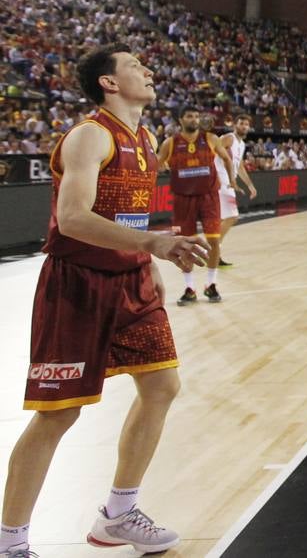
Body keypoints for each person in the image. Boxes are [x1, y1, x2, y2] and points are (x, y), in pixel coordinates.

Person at [0, 45, 207, 558]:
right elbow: (72, 219)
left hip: (131, 280)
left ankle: (117, 516)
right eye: (136, 66)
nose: (148, 70)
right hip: (79, 284)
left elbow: (130, 218)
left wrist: (146, 263)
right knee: (57, 414)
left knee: (162, 386)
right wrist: (153, 244)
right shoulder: (90, 135)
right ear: (110, 83)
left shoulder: (148, 138)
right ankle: (11, 543)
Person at [157, 107, 233, 305]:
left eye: (197, 116)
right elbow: (156, 165)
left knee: (214, 241)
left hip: (209, 197)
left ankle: (212, 284)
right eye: (190, 116)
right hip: (183, 199)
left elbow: (226, 158)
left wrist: (232, 179)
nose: (194, 119)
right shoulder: (170, 143)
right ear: (181, 119)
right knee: (185, 244)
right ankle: (189, 288)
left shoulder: (210, 139)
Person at [214, 113, 257, 266]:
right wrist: (214, 176)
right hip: (221, 182)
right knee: (232, 216)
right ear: (235, 125)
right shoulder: (228, 138)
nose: (244, 126)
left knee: (221, 220)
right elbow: (210, 153)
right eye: (241, 123)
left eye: (246, 124)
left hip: (229, 183)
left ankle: (213, 253)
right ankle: (211, 251)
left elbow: (239, 167)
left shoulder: (242, 144)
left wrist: (250, 185)